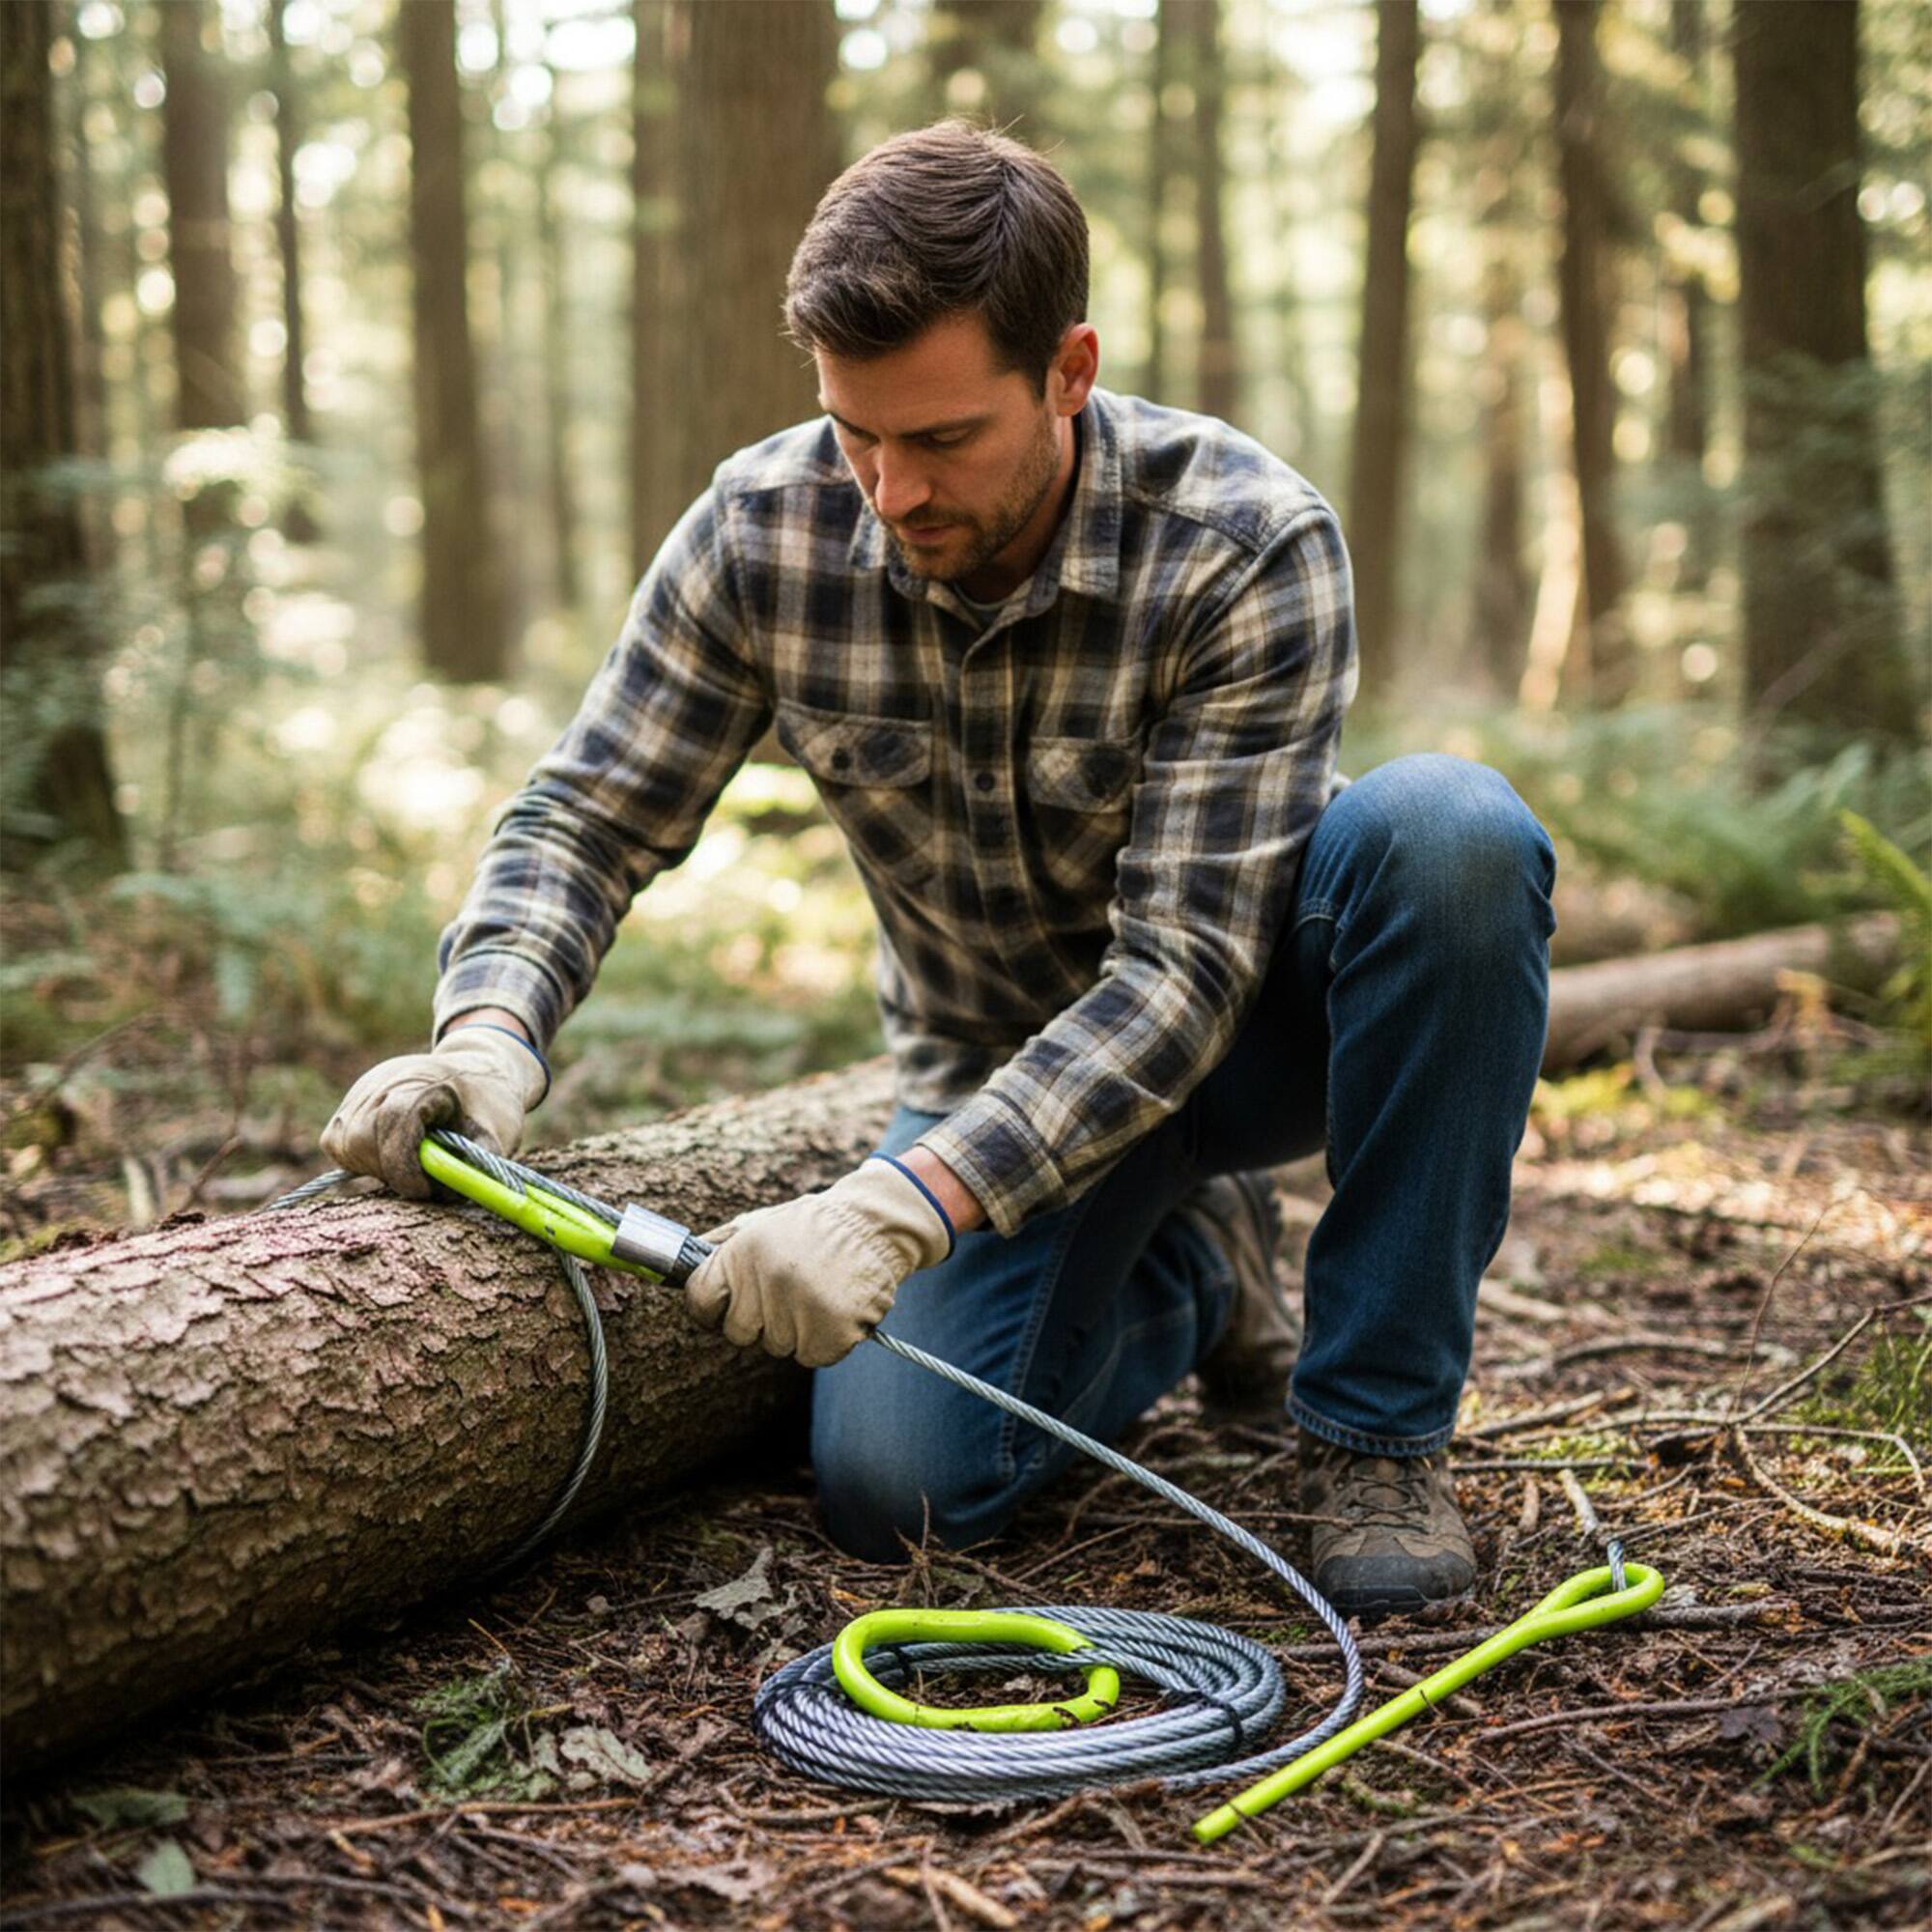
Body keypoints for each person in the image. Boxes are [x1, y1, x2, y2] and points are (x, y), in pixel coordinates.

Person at [324, 122, 1556, 1618]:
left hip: (1248, 1028)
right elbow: (588, 815)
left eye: (944, 438)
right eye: (857, 432)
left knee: (1452, 837)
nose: (891, 492)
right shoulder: (761, 528)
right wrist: (490, 1035)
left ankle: (1374, 1426)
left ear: (1071, 372)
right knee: (900, 1487)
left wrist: (893, 1210)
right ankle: (1202, 1276)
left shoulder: (1243, 540)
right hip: (987, 1072)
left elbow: (1181, 978)